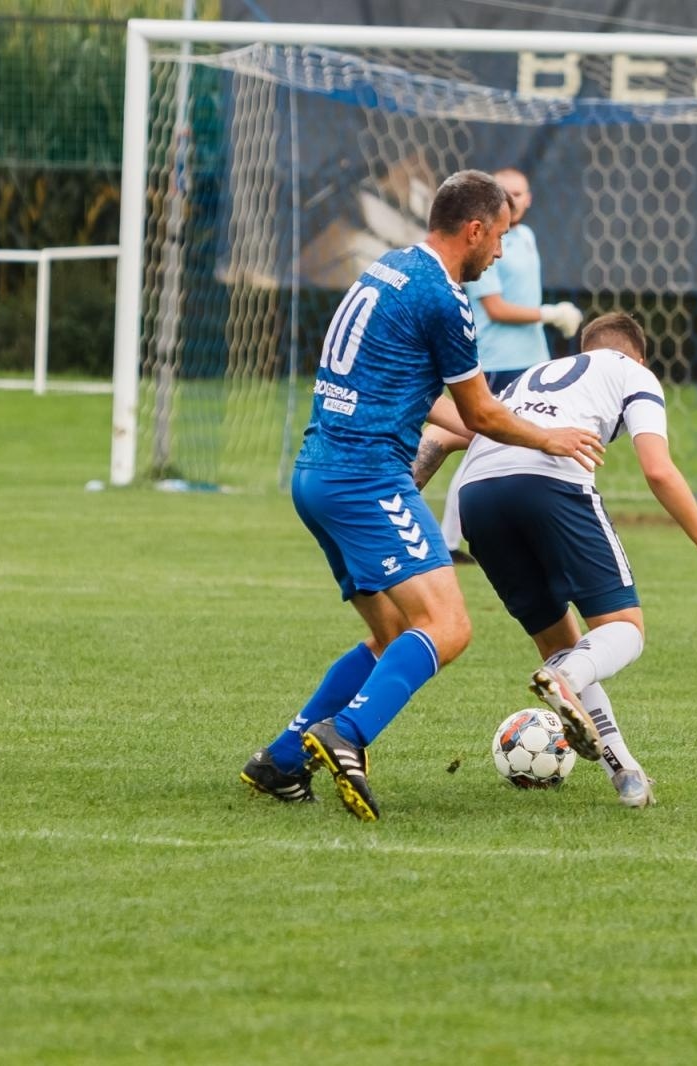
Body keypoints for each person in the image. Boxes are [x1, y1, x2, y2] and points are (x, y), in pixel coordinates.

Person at [238, 169, 605, 821]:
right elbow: (484, 410)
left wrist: (470, 428)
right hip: (367, 476)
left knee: (393, 634)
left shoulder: (389, 269)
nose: (499, 253)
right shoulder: (446, 297)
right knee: (448, 626)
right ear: (474, 229)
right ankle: (346, 734)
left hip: (318, 474)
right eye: (499, 238)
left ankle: (282, 760)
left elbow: (416, 391)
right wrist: (550, 438)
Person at [455, 311, 697, 807]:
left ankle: (626, 775)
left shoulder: (531, 377)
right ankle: (566, 678)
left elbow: (461, 430)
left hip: (475, 497)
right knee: (624, 629)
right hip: (549, 484)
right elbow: (658, 469)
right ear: (638, 355)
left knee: (561, 645)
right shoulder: (633, 373)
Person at [415, 167, 583, 562]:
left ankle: (519, 532)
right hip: (493, 360)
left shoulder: (523, 238)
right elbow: (496, 307)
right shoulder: (468, 260)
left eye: (520, 193)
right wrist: (549, 313)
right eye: (506, 193)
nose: (514, 200)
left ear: (530, 198)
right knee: (479, 438)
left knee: (493, 442)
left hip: (532, 361)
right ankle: (448, 536)